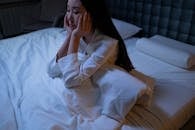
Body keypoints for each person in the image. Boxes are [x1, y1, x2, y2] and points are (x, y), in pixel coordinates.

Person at [47, 0, 141, 129]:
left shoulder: (107, 43)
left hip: (100, 85)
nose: (68, 17)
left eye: (75, 11)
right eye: (68, 10)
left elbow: (71, 81)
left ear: (92, 14)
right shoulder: (80, 35)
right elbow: (52, 70)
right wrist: (69, 36)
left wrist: (74, 37)